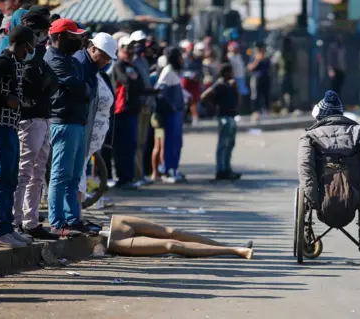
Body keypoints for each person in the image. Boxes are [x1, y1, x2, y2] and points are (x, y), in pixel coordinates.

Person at [0, 26, 37, 248]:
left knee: (10, 178)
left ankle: (6, 228)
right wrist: (5, 99)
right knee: (2, 178)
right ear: (23, 43)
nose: (31, 50)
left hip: (10, 127)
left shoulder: (15, 62)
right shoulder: (3, 61)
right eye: (30, 46)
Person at [297, 90, 360, 214]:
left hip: (321, 197)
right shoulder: (359, 131)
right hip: (355, 195)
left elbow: (305, 164)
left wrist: (312, 197)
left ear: (320, 117)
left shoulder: (310, 136)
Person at [12, 11, 59, 240]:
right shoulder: (24, 56)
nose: (45, 36)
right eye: (44, 32)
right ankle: (16, 221)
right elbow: (33, 84)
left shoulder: (39, 55)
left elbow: (51, 81)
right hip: (30, 119)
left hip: (42, 117)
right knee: (24, 171)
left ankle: (30, 221)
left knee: (37, 172)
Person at [44, 18, 90, 237]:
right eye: (74, 36)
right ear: (61, 37)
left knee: (73, 176)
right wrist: (83, 88)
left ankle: (72, 218)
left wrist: (83, 88)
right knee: (60, 175)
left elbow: (83, 86)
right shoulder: (52, 58)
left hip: (77, 122)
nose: (79, 40)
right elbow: (76, 86)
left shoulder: (71, 60)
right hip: (62, 121)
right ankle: (57, 222)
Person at [76, 33, 117, 205]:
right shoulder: (82, 66)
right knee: (76, 173)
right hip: (84, 131)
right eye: (103, 57)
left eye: (109, 59)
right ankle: (74, 215)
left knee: (81, 171)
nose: (106, 62)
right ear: (92, 49)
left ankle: (77, 213)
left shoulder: (99, 72)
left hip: (95, 137)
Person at [103, 215, 254, 259]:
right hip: (111, 241)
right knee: (171, 245)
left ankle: (225, 245)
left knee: (171, 231)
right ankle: (234, 250)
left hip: (114, 222)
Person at [112, 36, 147, 189]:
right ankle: (122, 178)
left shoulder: (132, 66)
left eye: (131, 48)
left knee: (131, 145)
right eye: (126, 48)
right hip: (121, 111)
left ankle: (129, 177)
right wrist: (133, 80)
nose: (129, 51)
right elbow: (126, 81)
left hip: (132, 110)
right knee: (122, 146)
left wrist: (133, 80)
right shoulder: (118, 65)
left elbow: (139, 84)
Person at [201, 64, 241, 180]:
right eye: (231, 71)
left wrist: (235, 88)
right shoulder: (220, 84)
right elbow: (204, 97)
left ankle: (227, 169)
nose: (233, 74)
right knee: (223, 145)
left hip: (232, 117)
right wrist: (213, 108)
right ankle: (221, 170)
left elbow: (237, 100)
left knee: (230, 145)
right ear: (226, 73)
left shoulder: (230, 85)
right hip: (224, 118)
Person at [156, 47, 186, 184]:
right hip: (172, 114)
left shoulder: (174, 71)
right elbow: (160, 90)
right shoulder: (167, 71)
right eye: (180, 56)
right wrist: (172, 107)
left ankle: (174, 168)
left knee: (177, 143)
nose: (182, 59)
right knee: (171, 142)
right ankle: (168, 170)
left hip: (178, 112)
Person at [130, 30, 155, 185]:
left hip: (147, 105)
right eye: (137, 43)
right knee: (136, 142)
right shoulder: (130, 62)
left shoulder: (144, 61)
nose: (140, 46)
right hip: (138, 105)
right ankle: (136, 174)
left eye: (142, 42)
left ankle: (141, 173)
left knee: (143, 142)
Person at [248, 41, 271, 122]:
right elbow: (250, 67)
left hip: (265, 77)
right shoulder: (253, 56)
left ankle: (266, 111)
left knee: (266, 95)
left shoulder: (266, 56)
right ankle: (255, 112)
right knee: (255, 95)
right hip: (256, 78)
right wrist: (257, 60)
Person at [181, 42, 202, 125]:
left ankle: (194, 117)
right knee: (186, 99)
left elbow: (199, 70)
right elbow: (182, 70)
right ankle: (185, 117)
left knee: (194, 100)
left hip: (194, 82)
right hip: (186, 81)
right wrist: (187, 75)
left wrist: (196, 75)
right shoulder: (183, 58)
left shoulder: (197, 59)